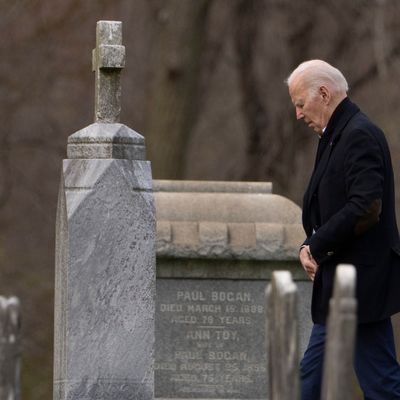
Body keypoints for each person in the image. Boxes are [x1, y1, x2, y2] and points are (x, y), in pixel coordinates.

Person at [286, 59, 400, 399]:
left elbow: (365, 207)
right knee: (310, 379)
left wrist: (316, 246)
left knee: (380, 385)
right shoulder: (335, 136)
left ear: (323, 93)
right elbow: (330, 209)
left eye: (300, 104)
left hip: (359, 286)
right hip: (343, 285)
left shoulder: (359, 134)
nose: (298, 114)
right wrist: (310, 243)